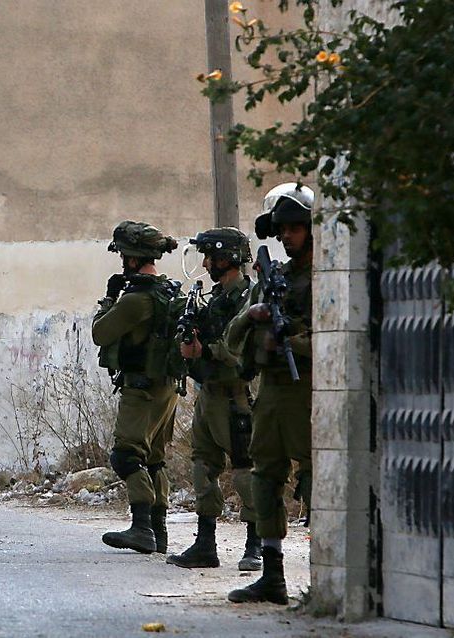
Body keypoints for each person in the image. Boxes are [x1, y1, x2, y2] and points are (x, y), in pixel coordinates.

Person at [224, 183, 315, 604]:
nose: (286, 237)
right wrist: (253, 314)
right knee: (265, 479)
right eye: (282, 230)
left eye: (295, 228)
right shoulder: (271, 282)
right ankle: (272, 574)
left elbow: (334, 340)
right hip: (273, 392)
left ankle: (325, 573)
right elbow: (231, 340)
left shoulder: (325, 278)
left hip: (308, 390)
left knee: (315, 478)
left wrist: (290, 342)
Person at [167, 227, 262, 571]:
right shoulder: (216, 298)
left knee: (244, 469)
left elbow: (237, 348)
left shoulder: (248, 299)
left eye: (210, 256)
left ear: (228, 257)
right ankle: (205, 542)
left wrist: (203, 348)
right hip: (208, 393)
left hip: (236, 396)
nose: (205, 263)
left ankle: (256, 544)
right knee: (203, 465)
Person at [92, 220, 181, 554]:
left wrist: (110, 297)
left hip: (140, 389)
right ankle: (159, 530)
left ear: (131, 259)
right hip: (167, 388)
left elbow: (100, 332)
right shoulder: (168, 290)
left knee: (127, 456)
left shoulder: (135, 300)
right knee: (155, 459)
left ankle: (142, 527)